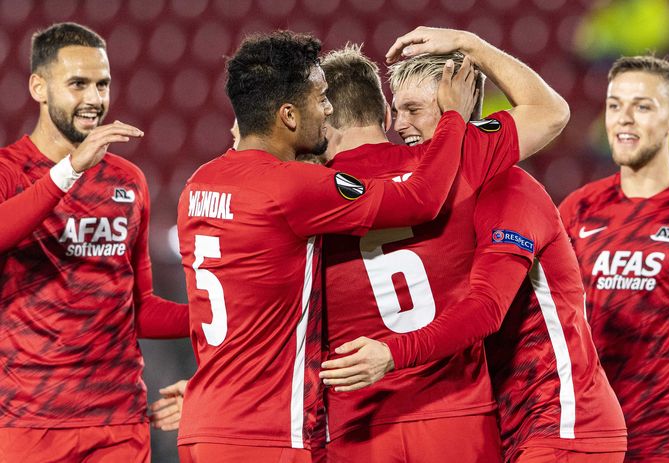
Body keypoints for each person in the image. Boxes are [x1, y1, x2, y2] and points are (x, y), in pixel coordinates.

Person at [320, 27, 626, 463]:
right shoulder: (446, 180)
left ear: (458, 106)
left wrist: (471, 45)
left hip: (561, 418)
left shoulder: (508, 188)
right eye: (397, 110)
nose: (400, 125)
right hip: (505, 421)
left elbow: (485, 308)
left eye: (414, 109)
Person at [175, 30, 475, 463]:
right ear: (288, 115)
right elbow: (422, 199)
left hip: (202, 422)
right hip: (268, 434)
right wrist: (454, 120)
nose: (330, 109)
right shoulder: (294, 187)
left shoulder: (198, 184)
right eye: (320, 99)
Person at [0, 22, 189, 463]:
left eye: (102, 84)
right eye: (78, 84)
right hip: (30, 423)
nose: (94, 99)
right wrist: (69, 171)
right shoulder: (9, 171)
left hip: (118, 424)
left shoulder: (128, 181)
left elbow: (139, 308)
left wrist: (218, 317)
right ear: (39, 87)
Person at [559, 55, 669, 462]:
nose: (624, 119)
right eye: (614, 105)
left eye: (643, 106)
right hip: (591, 437)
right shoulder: (579, 208)